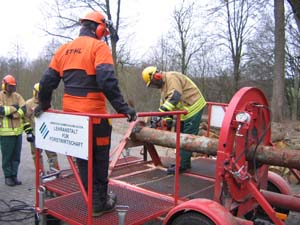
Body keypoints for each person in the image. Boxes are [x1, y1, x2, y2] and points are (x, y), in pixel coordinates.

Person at [36, 11, 137, 217]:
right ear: (98, 28)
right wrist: (123, 108)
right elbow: (107, 81)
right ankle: (100, 203)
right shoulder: (99, 47)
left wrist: (43, 105)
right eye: (104, 31)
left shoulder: (64, 50)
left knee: (83, 160)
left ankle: (91, 198)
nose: (104, 34)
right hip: (94, 119)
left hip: (73, 120)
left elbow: (47, 82)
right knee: (99, 159)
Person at [141, 66, 206, 174]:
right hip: (184, 112)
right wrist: (167, 120)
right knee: (179, 135)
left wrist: (159, 114)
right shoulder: (163, 89)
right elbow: (165, 105)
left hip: (193, 107)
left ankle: (183, 165)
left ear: (157, 76)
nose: (155, 86)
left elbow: (174, 97)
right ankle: (183, 161)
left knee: (187, 137)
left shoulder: (171, 78)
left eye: (153, 83)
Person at [22, 83, 60, 174]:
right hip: (35, 134)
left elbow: (52, 116)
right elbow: (25, 119)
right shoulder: (28, 104)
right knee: (36, 154)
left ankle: (54, 171)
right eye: (39, 93)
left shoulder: (48, 103)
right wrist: (29, 132)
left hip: (47, 133)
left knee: (52, 153)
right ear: (35, 92)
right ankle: (40, 171)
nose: (41, 95)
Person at [0, 74, 25, 186]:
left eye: (13, 86)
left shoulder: (18, 96)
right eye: (10, 86)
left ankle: (14, 176)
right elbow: (1, 111)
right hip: (5, 133)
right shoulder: (0, 96)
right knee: (7, 157)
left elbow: (24, 109)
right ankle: (8, 177)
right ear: (4, 85)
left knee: (16, 157)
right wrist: (15, 108)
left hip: (18, 132)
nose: (12, 88)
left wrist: (14, 115)